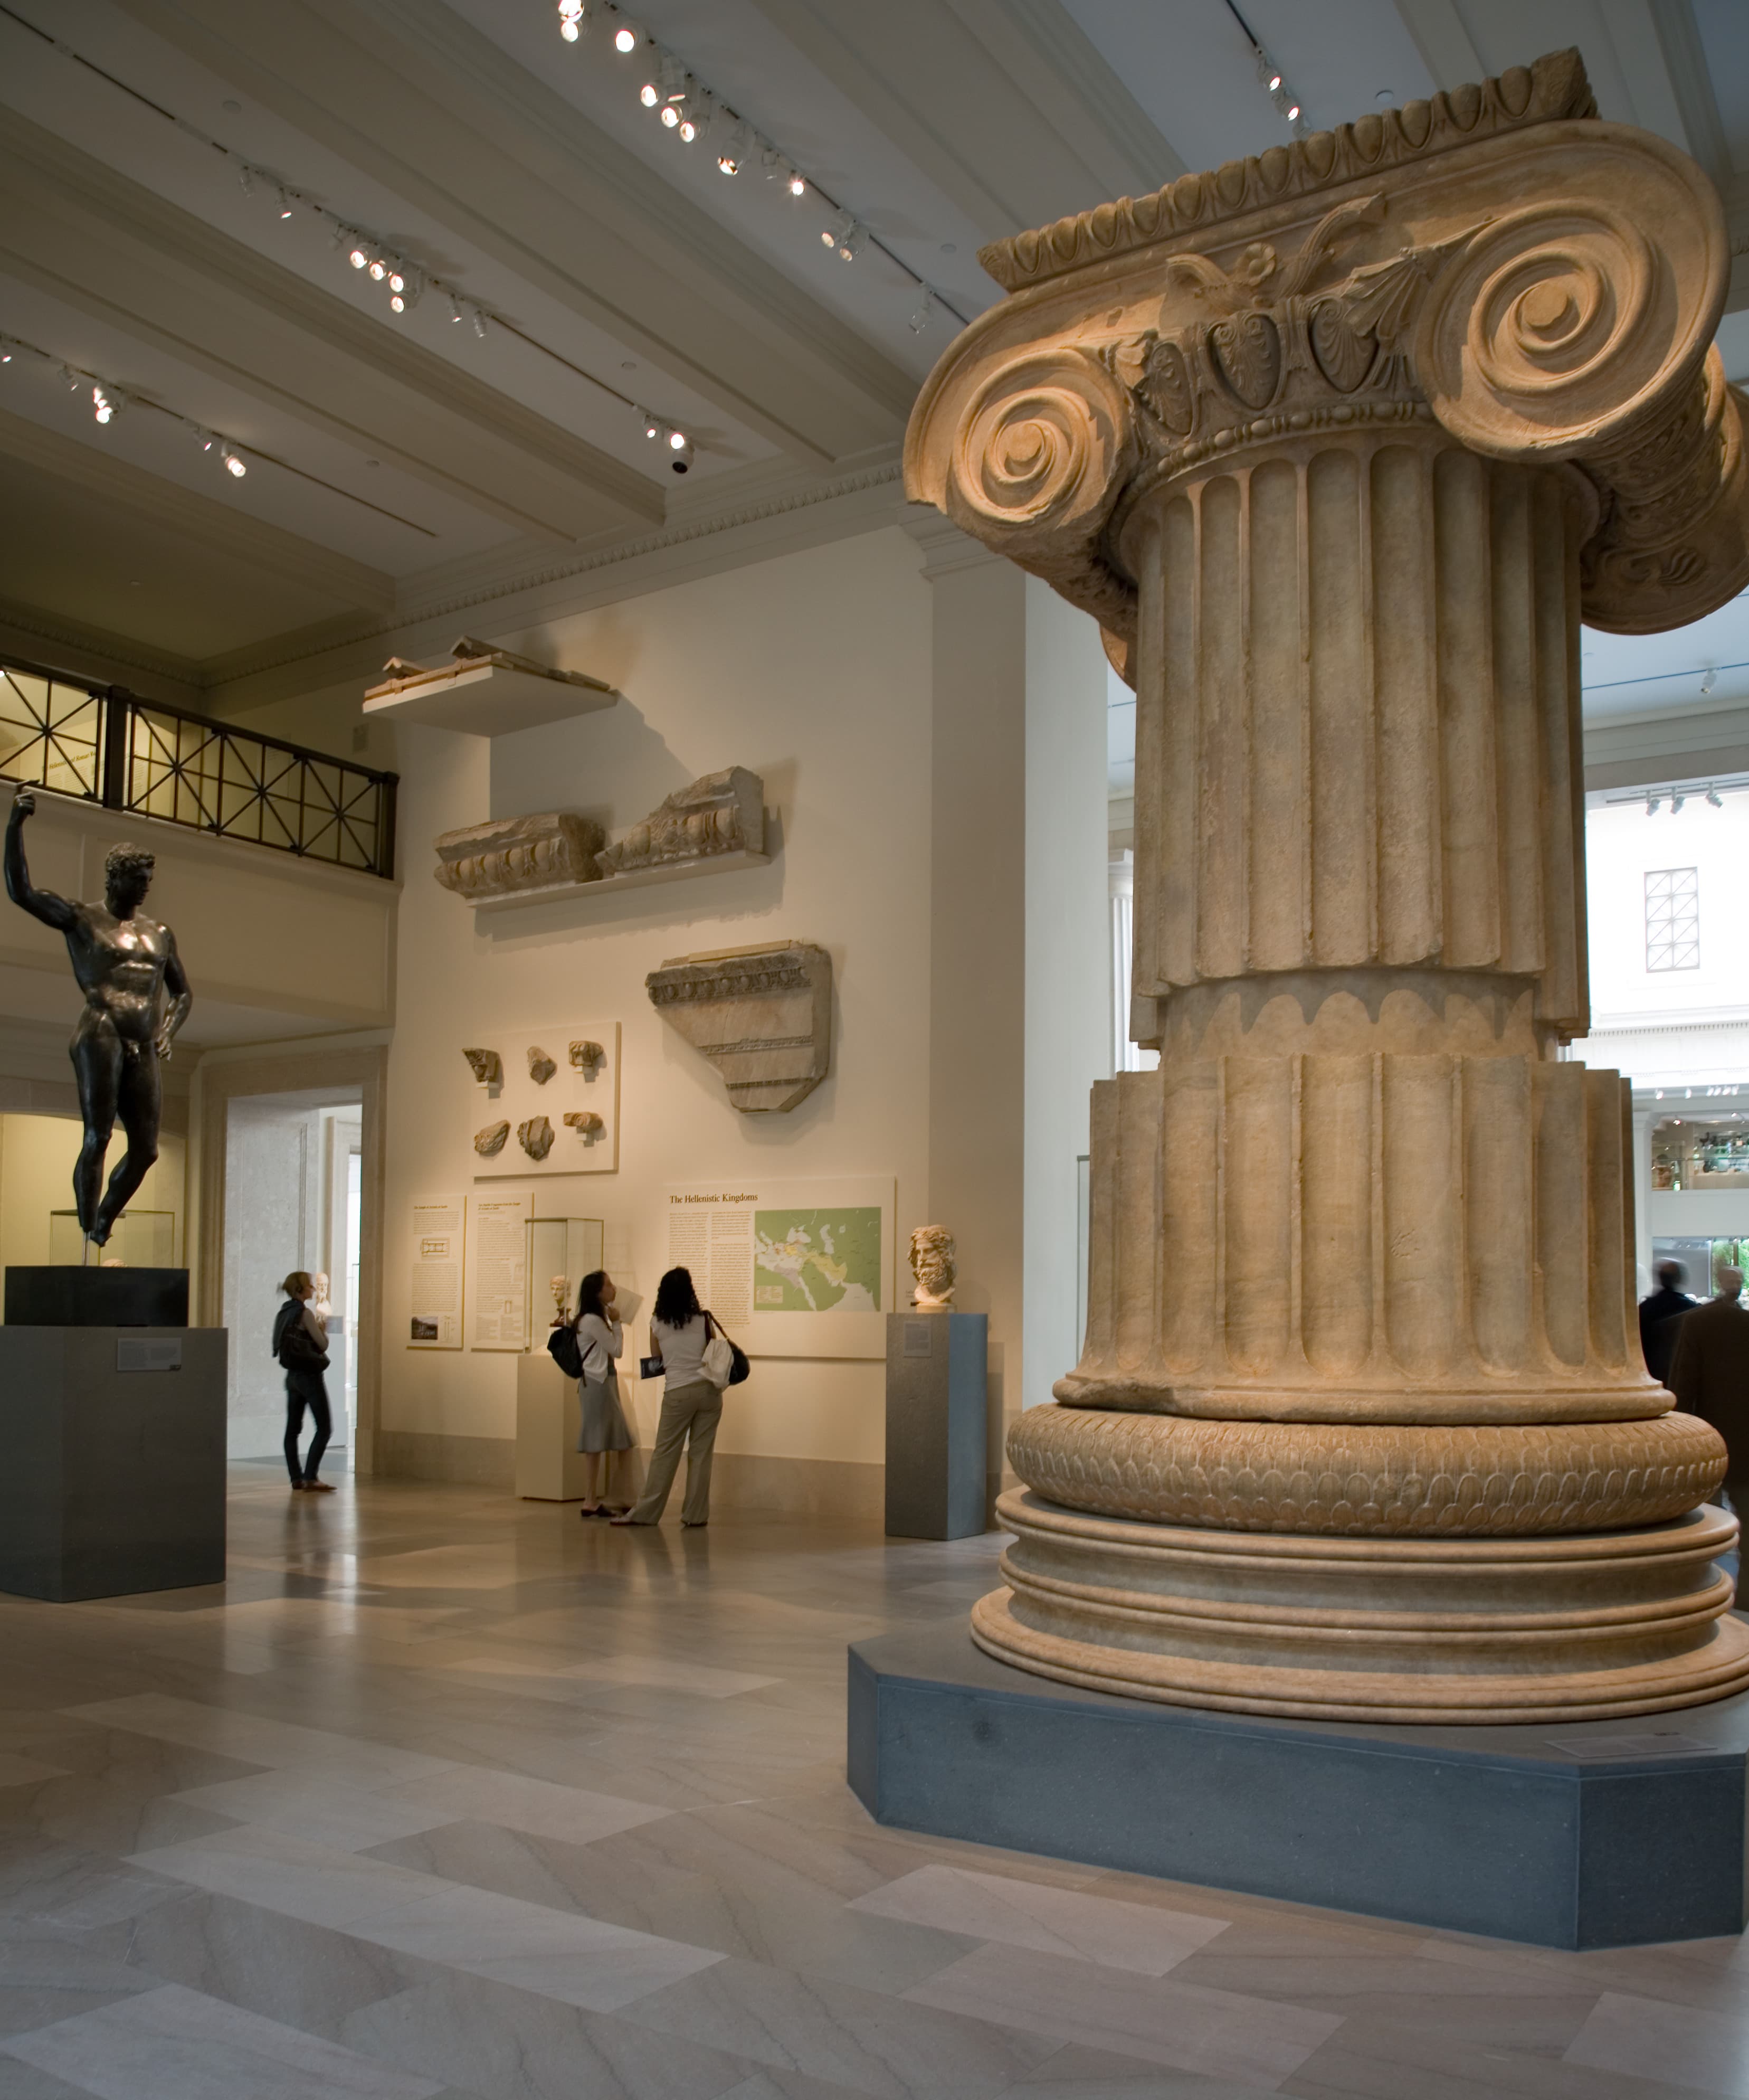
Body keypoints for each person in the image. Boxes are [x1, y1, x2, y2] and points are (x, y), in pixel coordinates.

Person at [4, 789, 192, 1246]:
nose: (147, 886)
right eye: (139, 878)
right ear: (116, 879)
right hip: (101, 1031)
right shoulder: (83, 919)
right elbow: (21, 892)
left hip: (143, 1040)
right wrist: (15, 826)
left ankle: (103, 1220)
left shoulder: (159, 933)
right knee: (99, 1137)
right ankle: (87, 1227)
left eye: (150, 878)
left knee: (146, 1150)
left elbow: (182, 993)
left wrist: (168, 1029)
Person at [612, 1265, 720, 1528]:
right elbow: (713, 1350)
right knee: (701, 1455)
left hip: (678, 1393)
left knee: (665, 1454)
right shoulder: (703, 1319)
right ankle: (696, 1516)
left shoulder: (657, 1323)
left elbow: (657, 1359)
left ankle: (646, 1513)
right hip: (709, 1392)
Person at [1668, 1265, 1749, 1515]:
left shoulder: (1696, 1321)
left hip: (1707, 1431)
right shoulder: (1741, 1322)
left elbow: (1684, 1380)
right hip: (1742, 1432)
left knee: (1708, 1512)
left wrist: (1678, 1429)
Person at [574, 1269, 633, 1517]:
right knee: (600, 1441)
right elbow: (617, 1350)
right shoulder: (592, 1321)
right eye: (609, 1285)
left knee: (614, 1439)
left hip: (601, 1381)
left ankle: (606, 1497)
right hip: (597, 1383)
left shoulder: (591, 1319)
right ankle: (597, 1498)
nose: (614, 1289)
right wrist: (618, 1322)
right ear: (598, 1292)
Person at [274, 1271, 335, 1493]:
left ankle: (296, 1478)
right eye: (310, 1286)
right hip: (310, 1376)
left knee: (292, 1430)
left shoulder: (284, 1312)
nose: (313, 1289)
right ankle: (311, 1476)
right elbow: (322, 1344)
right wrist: (322, 1330)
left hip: (292, 1377)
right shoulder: (304, 1313)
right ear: (300, 1290)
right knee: (325, 1427)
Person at [1639, 1259, 1697, 1389]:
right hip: (1682, 1370)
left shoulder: (1644, 1308)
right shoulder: (1691, 1309)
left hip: (1651, 1371)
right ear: (1680, 1279)